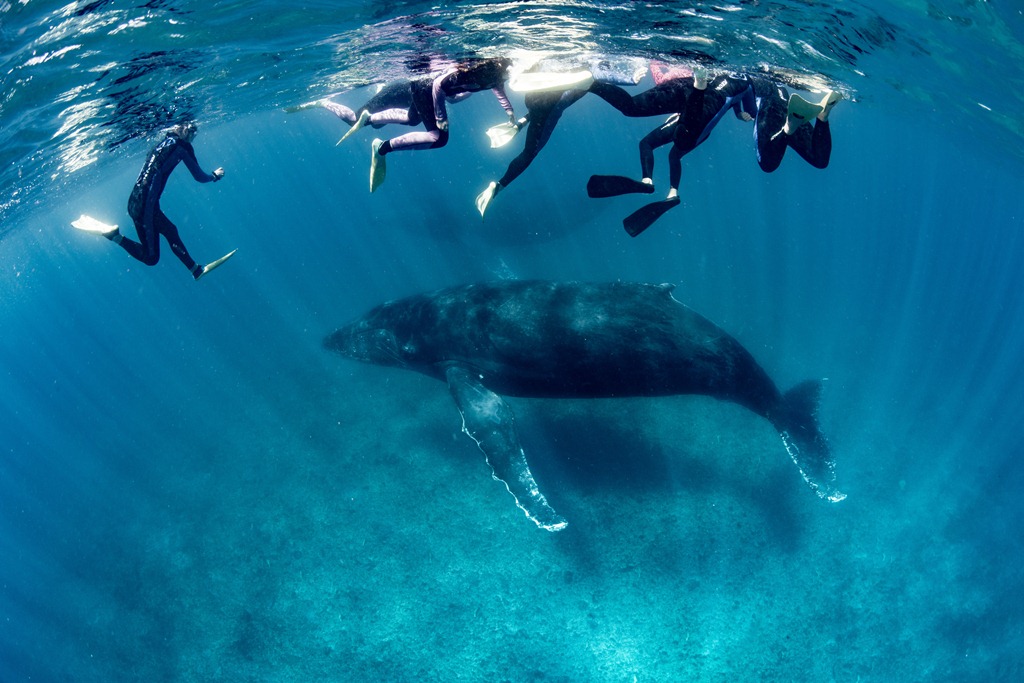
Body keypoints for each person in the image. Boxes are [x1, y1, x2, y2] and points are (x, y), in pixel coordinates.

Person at [587, 66, 760, 235]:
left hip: (698, 120)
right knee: (661, 149)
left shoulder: (729, 74)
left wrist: (739, 112)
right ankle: (662, 189)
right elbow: (745, 106)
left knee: (665, 145)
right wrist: (739, 112)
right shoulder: (742, 81)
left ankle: (651, 183)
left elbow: (741, 104)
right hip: (693, 118)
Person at [474, 58, 647, 219]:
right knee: (529, 154)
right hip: (547, 109)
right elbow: (597, 75)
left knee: (550, 103)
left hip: (534, 97)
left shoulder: (559, 64)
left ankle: (520, 124)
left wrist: (521, 121)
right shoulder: (584, 76)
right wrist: (629, 79)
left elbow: (539, 101)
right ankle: (498, 186)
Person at [73, 122, 234, 280]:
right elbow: (199, 177)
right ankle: (114, 236)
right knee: (151, 258)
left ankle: (195, 270)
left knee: (171, 231)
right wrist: (214, 176)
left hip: (138, 202)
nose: (194, 135)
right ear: (186, 131)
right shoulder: (183, 147)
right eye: (193, 131)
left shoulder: (162, 142)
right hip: (145, 207)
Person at [369, 57, 515, 192]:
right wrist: (440, 117)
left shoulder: (495, 77)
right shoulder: (470, 73)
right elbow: (438, 85)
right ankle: (382, 148)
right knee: (438, 138)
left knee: (411, 119)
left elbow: (499, 90)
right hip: (425, 88)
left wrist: (509, 111)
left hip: (423, 87)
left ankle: (370, 119)